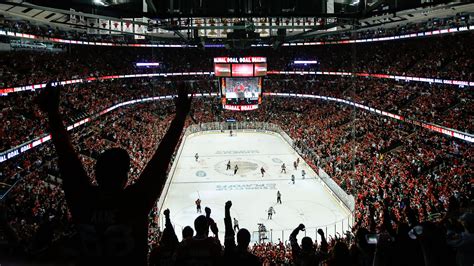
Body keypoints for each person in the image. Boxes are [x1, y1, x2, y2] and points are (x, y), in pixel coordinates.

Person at [36, 81, 192, 265]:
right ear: (125, 178)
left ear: (95, 175)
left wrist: (53, 114)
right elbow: (160, 160)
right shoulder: (134, 201)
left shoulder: (83, 201)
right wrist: (180, 117)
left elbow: (67, 160)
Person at [224, 201, 261, 266]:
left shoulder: (229, 254)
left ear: (237, 240)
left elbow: (228, 231)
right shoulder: (254, 260)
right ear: (249, 241)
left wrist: (227, 210)